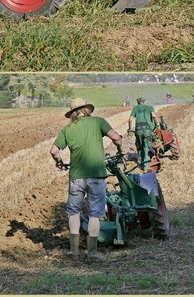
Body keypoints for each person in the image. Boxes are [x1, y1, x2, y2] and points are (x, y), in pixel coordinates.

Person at [50, 96, 124, 260]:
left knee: (74, 213)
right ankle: (92, 253)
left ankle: (74, 251)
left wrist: (59, 162)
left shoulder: (67, 129)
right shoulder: (99, 122)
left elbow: (54, 150)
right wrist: (121, 149)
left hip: (76, 177)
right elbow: (117, 138)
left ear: (72, 113)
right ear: (86, 110)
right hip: (96, 176)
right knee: (94, 214)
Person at [127, 97, 159, 164]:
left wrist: (129, 129)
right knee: (147, 147)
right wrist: (157, 124)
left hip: (138, 131)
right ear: (145, 101)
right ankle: (147, 166)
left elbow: (130, 120)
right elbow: (154, 116)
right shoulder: (150, 108)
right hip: (148, 131)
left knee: (140, 147)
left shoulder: (135, 108)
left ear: (138, 102)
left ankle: (141, 163)